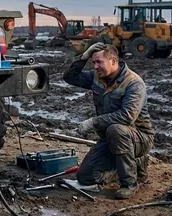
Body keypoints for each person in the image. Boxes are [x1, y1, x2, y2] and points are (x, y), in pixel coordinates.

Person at [63, 42, 154, 199]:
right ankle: (131, 165)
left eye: (99, 62)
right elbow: (70, 77)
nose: (96, 67)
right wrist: (85, 56)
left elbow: (127, 116)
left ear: (113, 61)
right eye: (94, 62)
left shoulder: (133, 83)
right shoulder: (97, 78)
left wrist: (93, 122)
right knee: (84, 177)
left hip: (138, 138)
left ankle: (129, 183)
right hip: (110, 139)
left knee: (116, 129)